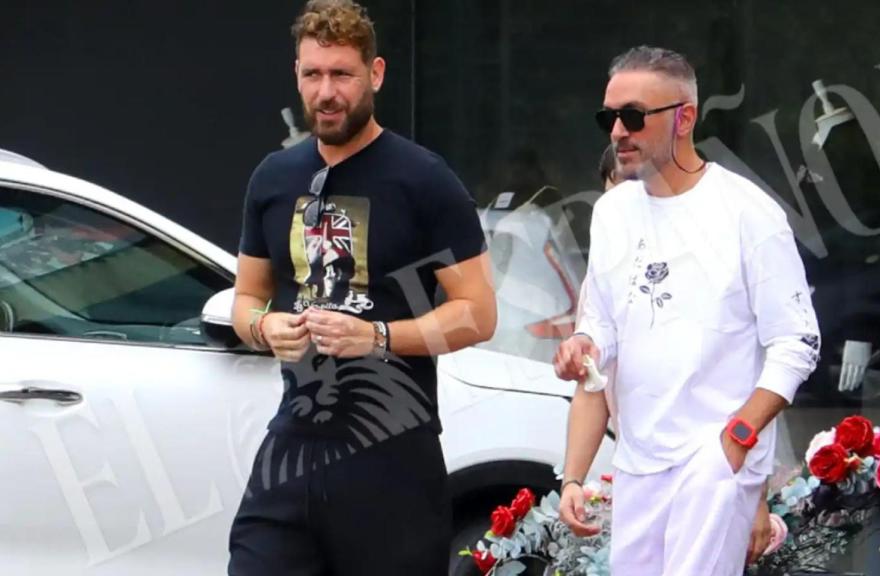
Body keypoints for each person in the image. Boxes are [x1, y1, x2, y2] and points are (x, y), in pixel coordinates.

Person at [227, 1, 496, 574]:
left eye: (342, 74)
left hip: (391, 451)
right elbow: (245, 300)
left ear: (375, 74)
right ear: (297, 75)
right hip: (293, 443)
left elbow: (478, 313)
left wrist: (375, 336)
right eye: (312, 74)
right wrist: (264, 326)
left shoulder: (424, 179)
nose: (327, 92)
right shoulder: (273, 179)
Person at [555, 46, 819, 576]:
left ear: (685, 117)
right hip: (637, 463)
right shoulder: (610, 213)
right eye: (609, 117)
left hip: (713, 462)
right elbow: (598, 342)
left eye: (633, 116)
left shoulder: (748, 212)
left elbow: (797, 342)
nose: (617, 132)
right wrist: (574, 476)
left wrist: (737, 439)